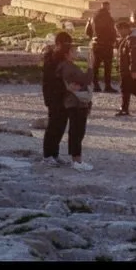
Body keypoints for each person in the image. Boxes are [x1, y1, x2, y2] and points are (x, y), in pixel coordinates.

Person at [54, 31, 94, 170]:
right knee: (77, 131)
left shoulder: (68, 65)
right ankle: (77, 160)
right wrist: (90, 66)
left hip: (75, 102)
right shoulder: (67, 67)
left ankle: (76, 159)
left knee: (77, 131)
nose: (76, 52)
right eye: (73, 50)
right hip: (75, 103)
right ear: (67, 54)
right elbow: (85, 80)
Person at [41, 33, 70, 166]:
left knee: (61, 126)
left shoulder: (63, 58)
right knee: (53, 126)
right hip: (54, 96)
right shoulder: (51, 59)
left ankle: (55, 153)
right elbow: (48, 81)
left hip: (64, 96)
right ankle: (47, 155)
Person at [89, 2, 117, 92]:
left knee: (95, 66)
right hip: (107, 44)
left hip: (96, 43)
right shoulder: (109, 18)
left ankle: (95, 85)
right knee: (107, 66)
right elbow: (112, 31)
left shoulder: (94, 17)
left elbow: (88, 31)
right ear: (108, 7)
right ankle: (107, 85)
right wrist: (113, 40)